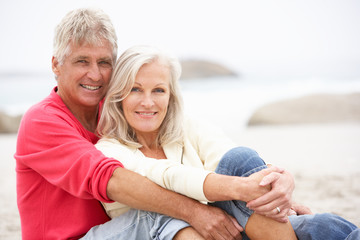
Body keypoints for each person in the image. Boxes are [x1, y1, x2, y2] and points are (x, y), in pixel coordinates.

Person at [14, 8, 292, 240]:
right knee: (156, 213)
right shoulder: (42, 121)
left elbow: (195, 150)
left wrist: (273, 187)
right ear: (56, 65)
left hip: (123, 231)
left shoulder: (113, 110)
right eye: (82, 61)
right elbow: (113, 180)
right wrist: (195, 211)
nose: (95, 74)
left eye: (105, 62)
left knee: (310, 224)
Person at [95, 45, 360, 239]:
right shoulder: (108, 150)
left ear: (171, 96)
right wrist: (243, 189)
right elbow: (168, 176)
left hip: (231, 228)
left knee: (324, 225)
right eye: (135, 89)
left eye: (159, 90)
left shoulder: (187, 127)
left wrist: (279, 180)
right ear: (118, 95)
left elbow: (231, 156)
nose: (148, 102)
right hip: (181, 235)